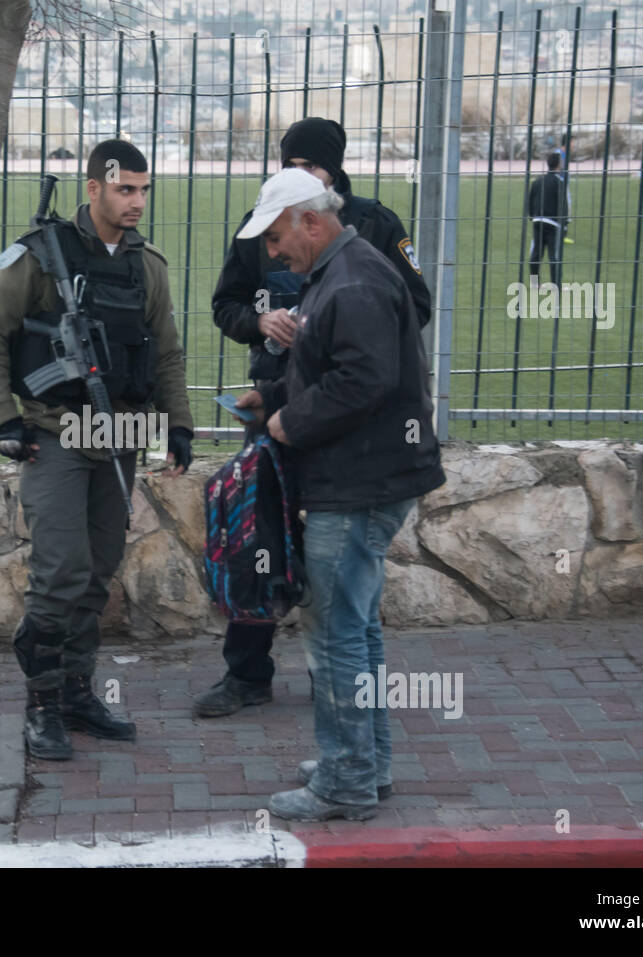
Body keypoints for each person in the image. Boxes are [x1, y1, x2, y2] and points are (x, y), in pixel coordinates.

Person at [228, 168, 445, 821]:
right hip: (366, 476)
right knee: (357, 627)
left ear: (309, 222)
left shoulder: (350, 280)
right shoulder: (342, 271)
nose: (272, 252)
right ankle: (363, 760)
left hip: (358, 483)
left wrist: (289, 419)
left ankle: (346, 775)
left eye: (275, 236)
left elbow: (360, 378)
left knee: (337, 633)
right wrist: (269, 396)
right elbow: (332, 365)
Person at [198, 116, 430, 719]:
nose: (274, 252)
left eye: (307, 168)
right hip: (282, 398)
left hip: (341, 431)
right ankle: (247, 672)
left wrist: (325, 335)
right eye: (288, 164)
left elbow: (398, 328)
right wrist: (261, 323)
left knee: (342, 595)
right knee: (261, 539)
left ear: (328, 180)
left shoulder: (374, 229)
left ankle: (348, 750)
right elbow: (225, 304)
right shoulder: (270, 216)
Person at [0, 140, 194, 760]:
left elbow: (166, 352)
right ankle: (40, 704)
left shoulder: (147, 266)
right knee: (62, 571)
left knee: (96, 573)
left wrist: (179, 425)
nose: (137, 202)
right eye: (126, 190)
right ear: (93, 188)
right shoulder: (43, 254)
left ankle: (77, 693)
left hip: (120, 436)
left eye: (144, 190)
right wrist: (4, 419)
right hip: (55, 431)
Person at [527, 151, 568, 287]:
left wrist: (533, 216)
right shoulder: (560, 182)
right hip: (553, 223)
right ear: (558, 165)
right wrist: (565, 224)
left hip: (538, 221)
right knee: (554, 256)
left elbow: (530, 200)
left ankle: (534, 284)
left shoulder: (537, 181)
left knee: (536, 254)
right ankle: (556, 285)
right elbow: (564, 204)